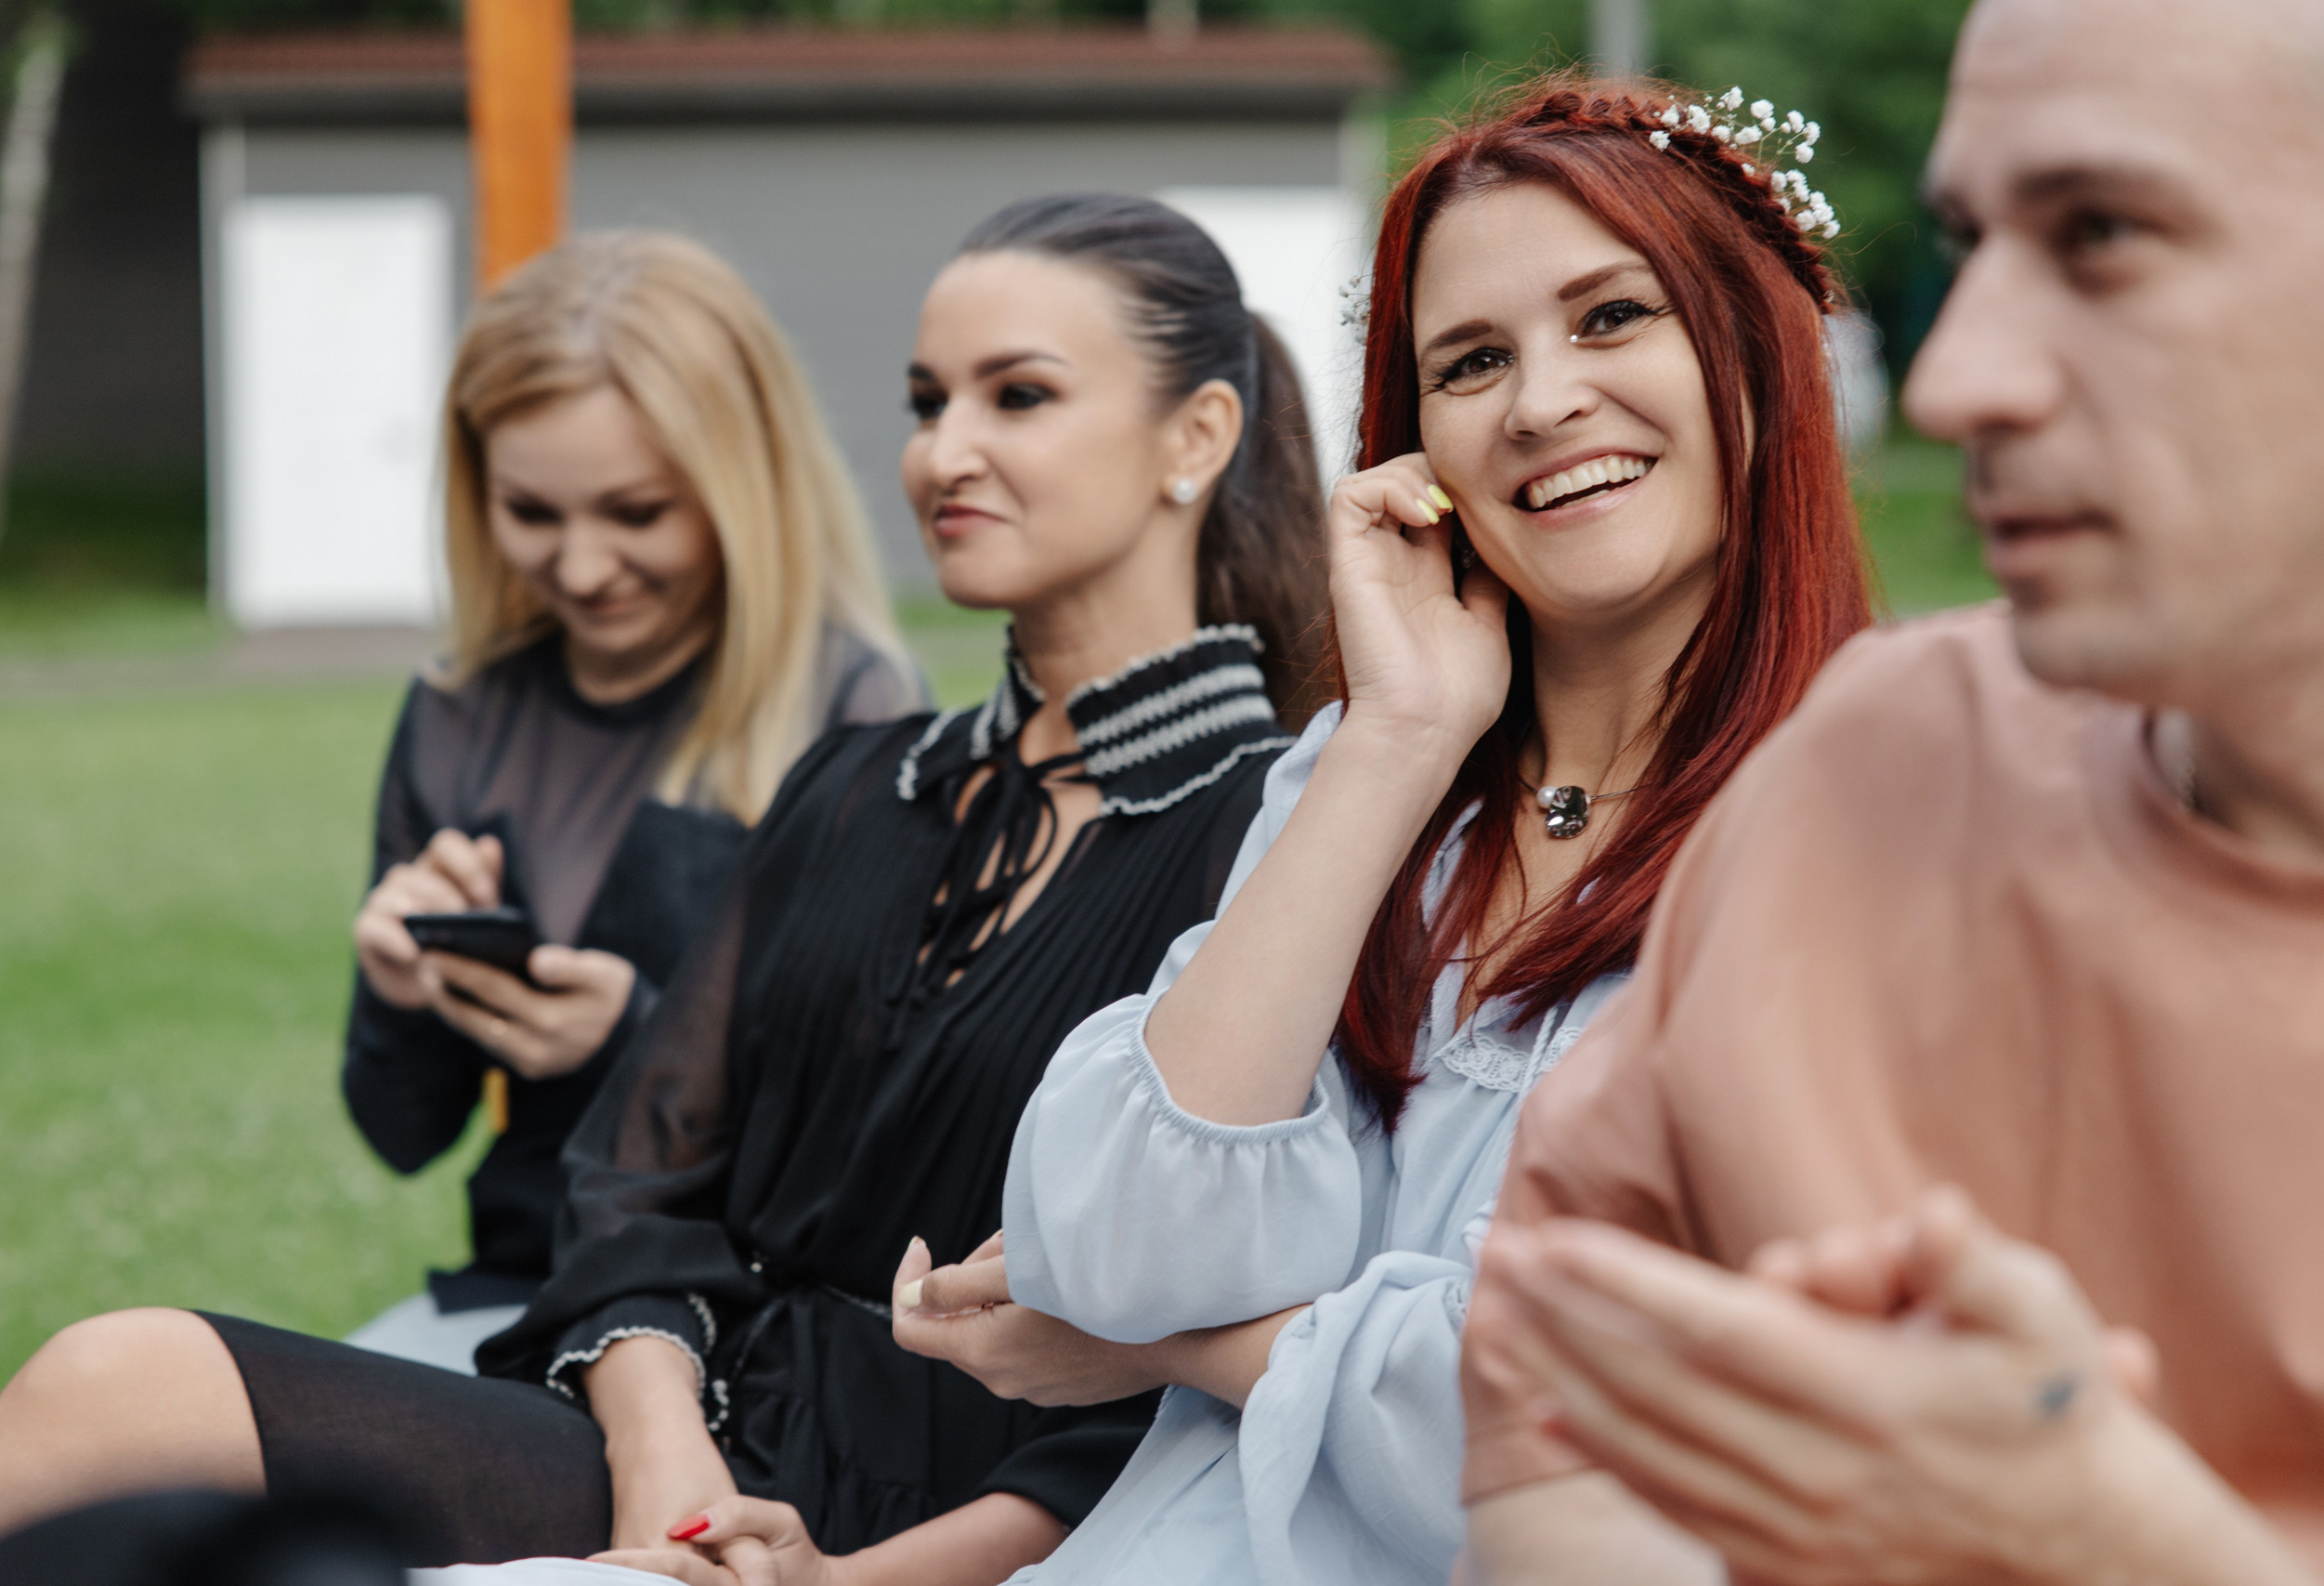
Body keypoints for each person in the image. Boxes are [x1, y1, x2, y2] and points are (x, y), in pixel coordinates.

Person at [0, 192, 1329, 1584]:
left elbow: (1175, 1371)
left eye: (1021, 395)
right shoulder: (857, 782)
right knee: (121, 1378)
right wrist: (662, 1462)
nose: (946, 448)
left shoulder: (1278, 829)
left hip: (956, 1521)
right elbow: (634, 1183)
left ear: (1199, 436)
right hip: (704, 1445)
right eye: (928, 399)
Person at [855, 77, 1874, 1586]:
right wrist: (1398, 738)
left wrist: (1191, 1344)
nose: (1540, 403)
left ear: (1757, 350)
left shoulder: (1869, 816)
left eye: (1610, 318)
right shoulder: (1369, 774)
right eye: (1471, 360)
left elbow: (1613, 1427)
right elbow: (1119, 1232)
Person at [1458, 2, 2324, 1582]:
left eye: (2102, 234)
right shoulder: (1874, 761)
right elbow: (1541, 1415)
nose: (1956, 381)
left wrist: (2112, 1548)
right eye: (1971, 238)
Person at [343, 230, 922, 1370]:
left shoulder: (856, 712)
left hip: (751, 1320)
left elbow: (867, 1145)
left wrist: (631, 1040)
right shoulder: (461, 715)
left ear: (740, 486)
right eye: (533, 513)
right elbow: (400, 1132)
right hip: (511, 1294)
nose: (583, 566)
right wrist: (396, 996)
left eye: (637, 513)